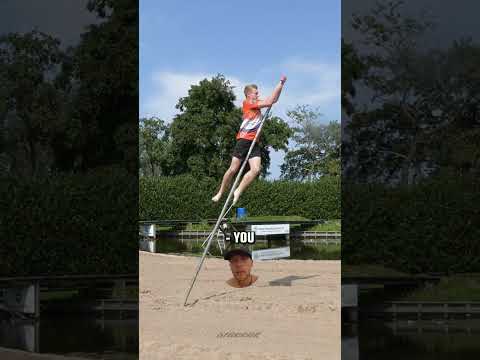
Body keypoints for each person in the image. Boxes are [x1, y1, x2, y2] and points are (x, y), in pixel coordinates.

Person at [212, 75, 287, 205]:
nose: (258, 95)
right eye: (255, 93)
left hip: (254, 143)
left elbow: (273, 100)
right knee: (233, 169)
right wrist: (280, 82)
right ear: (248, 94)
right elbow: (269, 102)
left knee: (256, 169)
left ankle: (238, 191)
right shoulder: (248, 104)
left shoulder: (256, 104)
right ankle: (220, 192)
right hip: (244, 140)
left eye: (258, 93)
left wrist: (281, 85)